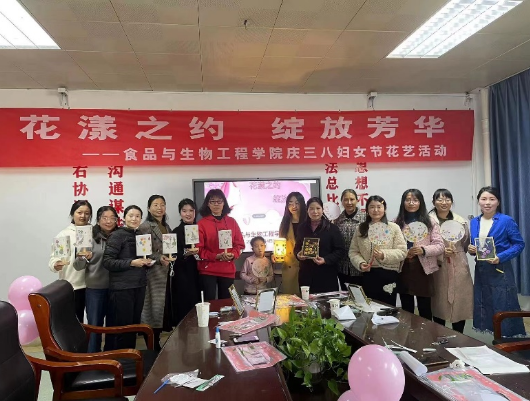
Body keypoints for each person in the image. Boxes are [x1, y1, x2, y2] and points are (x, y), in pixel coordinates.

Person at [468, 186, 526, 337]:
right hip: (481, 270)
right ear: (479, 201)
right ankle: (492, 337)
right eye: (484, 199)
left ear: (498, 202)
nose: (487, 203)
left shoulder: (506, 220)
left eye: (492, 199)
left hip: (501, 269)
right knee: (484, 302)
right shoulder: (474, 222)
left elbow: (519, 244)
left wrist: (501, 257)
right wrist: (471, 249)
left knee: (504, 303)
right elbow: (476, 245)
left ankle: (509, 339)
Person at [103, 205, 153, 350]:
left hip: (139, 285)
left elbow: (141, 260)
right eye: (131, 215)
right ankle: (119, 358)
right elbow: (107, 262)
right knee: (122, 327)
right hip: (122, 289)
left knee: (133, 326)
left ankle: (130, 356)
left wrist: (147, 263)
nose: (134, 219)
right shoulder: (117, 235)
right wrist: (131, 262)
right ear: (124, 218)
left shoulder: (141, 235)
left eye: (137, 216)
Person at [73, 206, 118, 352]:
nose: (108, 221)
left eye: (112, 218)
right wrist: (82, 257)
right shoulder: (88, 236)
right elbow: (77, 266)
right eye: (105, 218)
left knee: (113, 325)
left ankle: (110, 355)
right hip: (95, 289)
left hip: (116, 288)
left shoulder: (120, 236)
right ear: (98, 220)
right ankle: (93, 356)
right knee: (94, 326)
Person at [395, 189, 444, 320]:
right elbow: (392, 246)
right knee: (406, 307)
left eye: (415, 200)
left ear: (420, 202)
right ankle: (408, 332)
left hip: (423, 269)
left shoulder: (430, 222)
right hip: (403, 268)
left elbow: (440, 245)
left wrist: (423, 250)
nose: (411, 203)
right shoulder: (396, 223)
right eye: (408, 200)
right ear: (403, 202)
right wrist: (403, 253)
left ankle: (426, 333)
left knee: (424, 308)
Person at [349, 196, 407, 306]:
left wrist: (383, 255)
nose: (375, 210)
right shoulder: (361, 228)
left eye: (379, 207)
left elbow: (402, 251)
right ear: (367, 210)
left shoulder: (393, 227)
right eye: (372, 207)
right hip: (368, 274)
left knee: (387, 308)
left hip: (389, 274)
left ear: (384, 209)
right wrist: (360, 263)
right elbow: (353, 251)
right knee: (369, 307)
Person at [429, 189, 473, 333]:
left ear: (452, 202)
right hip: (437, 266)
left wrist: (457, 252)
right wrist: (440, 253)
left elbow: (465, 243)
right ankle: (439, 334)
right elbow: (425, 244)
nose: (444, 202)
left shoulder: (460, 221)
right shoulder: (428, 221)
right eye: (440, 199)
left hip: (458, 263)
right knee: (438, 301)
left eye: (447, 199)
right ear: (433, 202)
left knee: (460, 301)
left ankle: (459, 335)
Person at [48, 200, 93, 322]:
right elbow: (54, 258)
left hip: (93, 285)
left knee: (94, 321)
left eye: (87, 213)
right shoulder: (64, 234)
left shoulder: (94, 232)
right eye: (79, 212)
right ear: (73, 214)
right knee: (75, 321)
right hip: (73, 285)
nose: (83, 216)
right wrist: (56, 264)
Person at [197, 189, 245, 301]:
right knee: (209, 303)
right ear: (208, 204)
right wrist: (216, 256)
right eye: (213, 201)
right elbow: (199, 249)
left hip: (227, 270)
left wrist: (233, 254)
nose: (216, 204)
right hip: (208, 270)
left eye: (219, 201)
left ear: (224, 203)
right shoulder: (201, 224)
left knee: (226, 303)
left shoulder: (232, 222)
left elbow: (240, 245)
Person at [139, 195, 171, 351]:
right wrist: (159, 257)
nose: (159, 208)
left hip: (165, 273)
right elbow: (143, 251)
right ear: (148, 208)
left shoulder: (166, 226)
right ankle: (152, 346)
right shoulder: (145, 227)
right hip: (152, 274)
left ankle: (156, 342)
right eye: (156, 205)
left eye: (162, 204)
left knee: (161, 310)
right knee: (152, 310)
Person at [294, 197, 345, 293]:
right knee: (306, 301)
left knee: (327, 301)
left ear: (322, 210)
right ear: (307, 210)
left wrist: (325, 260)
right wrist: (298, 255)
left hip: (326, 275)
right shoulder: (302, 228)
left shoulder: (332, 228)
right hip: (306, 275)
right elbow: (297, 247)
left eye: (318, 208)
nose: (315, 212)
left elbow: (340, 250)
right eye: (311, 209)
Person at [171, 198, 201, 326]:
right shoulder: (175, 232)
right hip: (182, 273)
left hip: (200, 272)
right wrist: (185, 253)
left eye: (191, 210)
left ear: (195, 212)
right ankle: (182, 331)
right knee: (183, 303)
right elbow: (173, 254)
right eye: (184, 211)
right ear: (180, 213)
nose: (188, 214)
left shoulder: (200, 228)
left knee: (199, 303)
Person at [275, 192, 307, 295]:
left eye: (297, 203)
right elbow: (280, 245)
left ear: (302, 204)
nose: (294, 206)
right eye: (290, 203)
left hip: (306, 265)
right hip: (289, 266)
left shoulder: (308, 221)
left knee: (306, 297)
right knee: (290, 299)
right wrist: (275, 255)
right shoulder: (285, 223)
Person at [334, 189, 366, 290]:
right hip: (342, 267)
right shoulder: (337, 220)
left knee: (361, 296)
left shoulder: (365, 219)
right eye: (345, 200)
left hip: (360, 266)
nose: (349, 202)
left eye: (352, 199)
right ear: (342, 202)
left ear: (357, 200)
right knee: (345, 295)